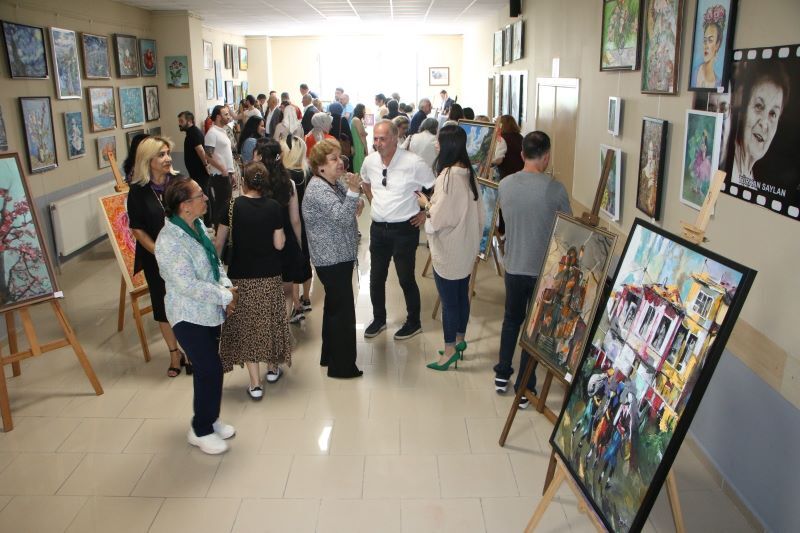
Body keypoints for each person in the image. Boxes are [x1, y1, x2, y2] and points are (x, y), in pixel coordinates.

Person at [155, 176, 236, 455]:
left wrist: (226, 286)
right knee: (208, 368)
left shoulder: (197, 225)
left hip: (209, 309)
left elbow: (214, 262)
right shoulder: (169, 241)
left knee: (211, 368)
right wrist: (226, 296)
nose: (206, 198)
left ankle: (210, 419)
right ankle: (200, 429)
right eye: (200, 195)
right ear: (184, 205)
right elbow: (186, 285)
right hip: (188, 315)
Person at [493, 131, 572, 407]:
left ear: (522, 154)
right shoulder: (555, 189)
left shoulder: (505, 184)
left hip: (513, 264)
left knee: (511, 319)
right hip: (543, 271)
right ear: (547, 156)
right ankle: (525, 387)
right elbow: (567, 229)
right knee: (534, 329)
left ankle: (502, 374)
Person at [215, 161, 290, 400]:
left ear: (243, 180)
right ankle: (272, 367)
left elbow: (219, 243)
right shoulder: (274, 207)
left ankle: (255, 383)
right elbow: (279, 244)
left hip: (240, 275)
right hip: (269, 274)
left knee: (246, 326)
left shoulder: (231, 207)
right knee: (270, 321)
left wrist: (214, 271)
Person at [360, 120, 436, 340]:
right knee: (376, 277)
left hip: (404, 229)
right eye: (375, 138)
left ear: (395, 139)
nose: (377, 143)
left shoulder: (413, 162)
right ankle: (379, 319)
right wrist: (373, 201)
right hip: (378, 229)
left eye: (382, 139)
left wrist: (426, 212)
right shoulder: (370, 161)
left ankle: (414, 322)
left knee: (406, 278)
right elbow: (365, 182)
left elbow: (435, 187)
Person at [416, 125, 483, 370]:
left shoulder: (447, 176)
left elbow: (440, 217)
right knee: (461, 296)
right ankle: (460, 340)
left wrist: (425, 204)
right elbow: (479, 213)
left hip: (450, 249)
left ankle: (449, 352)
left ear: (449, 146)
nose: (435, 145)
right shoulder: (468, 172)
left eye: (439, 141)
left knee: (449, 301)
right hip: (466, 246)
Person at [302, 139, 364, 379]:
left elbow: (349, 207)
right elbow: (341, 217)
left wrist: (354, 198)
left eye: (340, 157)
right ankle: (342, 367)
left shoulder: (331, 183)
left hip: (337, 256)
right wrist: (354, 192)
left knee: (334, 308)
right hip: (332, 259)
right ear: (320, 167)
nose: (341, 163)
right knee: (343, 313)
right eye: (334, 159)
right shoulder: (318, 189)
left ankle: (329, 356)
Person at [127, 136, 188, 378]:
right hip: (156, 259)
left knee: (185, 305)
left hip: (184, 256)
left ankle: (190, 351)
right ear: (148, 160)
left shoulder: (180, 182)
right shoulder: (138, 191)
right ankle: (175, 354)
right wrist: (158, 251)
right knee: (164, 307)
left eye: (167, 153)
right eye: (161, 155)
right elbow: (137, 229)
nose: (167, 158)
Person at [255, 139, 307, 325]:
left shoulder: (255, 184)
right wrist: (299, 244)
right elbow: (295, 219)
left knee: (265, 292)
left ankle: (267, 333)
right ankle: (282, 332)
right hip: (286, 242)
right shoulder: (289, 183)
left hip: (261, 243)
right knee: (285, 292)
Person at [730, 63, 790, 189]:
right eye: (758, 106)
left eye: (773, 114)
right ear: (742, 111)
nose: (764, 123)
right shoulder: (724, 164)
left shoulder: (750, 184)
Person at [281, 135, 314, 314]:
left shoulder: (286, 176)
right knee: (305, 259)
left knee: (292, 264)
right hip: (306, 219)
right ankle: (306, 297)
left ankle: (295, 305)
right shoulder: (307, 171)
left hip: (291, 221)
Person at [205, 105, 235, 228]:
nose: (229, 116)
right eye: (226, 114)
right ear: (218, 116)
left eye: (228, 114)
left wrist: (231, 172)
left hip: (226, 174)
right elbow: (208, 155)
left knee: (227, 205)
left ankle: (226, 232)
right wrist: (223, 169)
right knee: (222, 206)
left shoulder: (222, 130)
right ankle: (220, 232)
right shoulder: (212, 133)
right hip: (219, 175)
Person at [177, 112, 210, 223]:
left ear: (190, 121)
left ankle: (208, 222)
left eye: (181, 121)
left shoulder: (193, 133)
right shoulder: (191, 132)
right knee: (204, 194)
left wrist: (206, 165)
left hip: (200, 172)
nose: (179, 124)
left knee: (204, 195)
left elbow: (200, 150)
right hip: (197, 172)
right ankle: (208, 221)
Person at [693, 4, 727, 89]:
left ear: (717, 44)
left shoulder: (718, 83)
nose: (706, 46)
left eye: (710, 40)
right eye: (705, 40)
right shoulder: (694, 73)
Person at [350, 103, 369, 173]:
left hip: (357, 144)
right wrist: (366, 149)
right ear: (360, 111)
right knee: (360, 165)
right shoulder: (357, 120)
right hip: (359, 145)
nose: (365, 112)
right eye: (364, 110)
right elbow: (362, 135)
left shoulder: (354, 119)